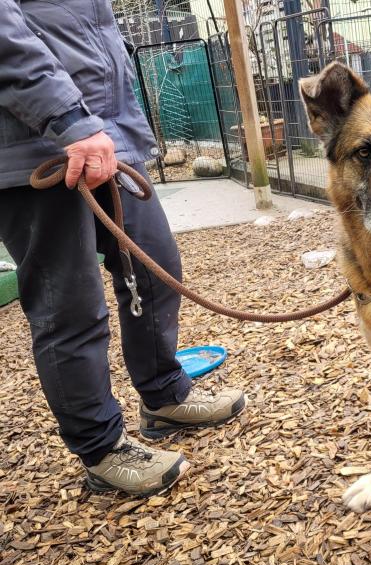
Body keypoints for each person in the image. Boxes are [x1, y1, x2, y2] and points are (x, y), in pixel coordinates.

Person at [0, 0, 246, 497]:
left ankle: (163, 395)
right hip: (37, 145)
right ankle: (101, 449)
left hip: (104, 138)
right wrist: (68, 119)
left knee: (155, 269)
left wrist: (104, 128)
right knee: (69, 308)